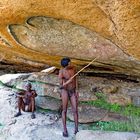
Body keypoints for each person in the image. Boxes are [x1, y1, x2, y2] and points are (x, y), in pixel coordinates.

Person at [59, 57, 79, 137]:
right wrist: (68, 82)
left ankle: (76, 129)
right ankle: (65, 130)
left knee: (75, 110)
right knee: (64, 110)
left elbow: (76, 79)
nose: (71, 63)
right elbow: (61, 86)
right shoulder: (62, 71)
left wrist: (77, 90)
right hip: (65, 91)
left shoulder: (73, 69)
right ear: (66, 65)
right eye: (69, 63)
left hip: (73, 91)